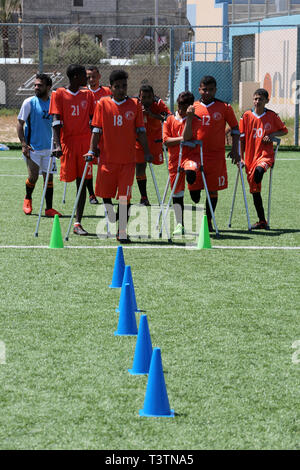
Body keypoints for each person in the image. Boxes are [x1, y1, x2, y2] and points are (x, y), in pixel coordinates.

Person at [84, 69, 153, 243]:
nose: (122, 90)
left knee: (125, 197)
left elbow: (141, 131)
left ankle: (121, 231)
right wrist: (92, 150)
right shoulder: (102, 104)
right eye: (118, 87)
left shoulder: (135, 105)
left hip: (128, 162)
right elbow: (96, 130)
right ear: (111, 88)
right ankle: (109, 211)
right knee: (104, 194)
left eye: (124, 86)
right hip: (107, 160)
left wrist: (147, 151)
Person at [50, 64, 95, 236]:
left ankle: (78, 223)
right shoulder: (59, 94)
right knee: (70, 179)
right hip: (68, 142)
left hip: (84, 143)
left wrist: (93, 145)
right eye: (85, 75)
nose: (88, 79)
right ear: (76, 77)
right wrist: (57, 144)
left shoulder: (88, 95)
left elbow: (93, 121)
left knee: (82, 182)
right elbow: (56, 121)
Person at [193, 75, 240, 231]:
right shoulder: (193, 107)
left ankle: (208, 221)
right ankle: (196, 197)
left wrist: (235, 149)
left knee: (212, 189)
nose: (207, 92)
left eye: (211, 90)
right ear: (199, 89)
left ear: (215, 90)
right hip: (195, 155)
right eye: (204, 89)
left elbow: (235, 129)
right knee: (194, 191)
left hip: (216, 156)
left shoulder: (224, 107)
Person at [239, 88, 288, 229]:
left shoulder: (272, 116)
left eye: (260, 99)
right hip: (250, 157)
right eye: (255, 99)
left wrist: (272, 135)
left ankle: (259, 172)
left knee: (259, 171)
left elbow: (284, 130)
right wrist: (241, 157)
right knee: (255, 190)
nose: (257, 101)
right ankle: (262, 221)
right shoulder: (246, 116)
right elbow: (241, 139)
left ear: (266, 100)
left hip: (265, 156)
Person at [17, 73, 61, 217]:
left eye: (39, 85)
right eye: (35, 85)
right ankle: (28, 198)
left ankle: (49, 208)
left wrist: (58, 144)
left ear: (48, 87)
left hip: (50, 149)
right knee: (33, 177)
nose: (36, 87)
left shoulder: (54, 103)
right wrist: (24, 144)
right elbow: (20, 124)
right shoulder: (29, 102)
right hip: (33, 148)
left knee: (49, 178)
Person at [163, 91, 202, 236]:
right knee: (177, 194)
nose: (181, 109)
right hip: (175, 160)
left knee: (191, 172)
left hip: (190, 157)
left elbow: (187, 136)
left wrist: (189, 119)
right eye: (180, 105)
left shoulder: (195, 120)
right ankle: (180, 224)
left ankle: (194, 187)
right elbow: (166, 141)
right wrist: (180, 140)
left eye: (185, 107)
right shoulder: (169, 120)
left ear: (191, 107)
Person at [135, 85, 171, 206]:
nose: (146, 100)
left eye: (149, 97)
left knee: (160, 166)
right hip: (139, 140)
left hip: (155, 140)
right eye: (143, 97)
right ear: (139, 97)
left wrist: (152, 114)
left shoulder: (159, 103)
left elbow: (168, 117)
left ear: (153, 96)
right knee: (140, 167)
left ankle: (171, 195)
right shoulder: (135, 104)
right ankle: (144, 197)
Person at [85, 66, 112, 205]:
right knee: (88, 165)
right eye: (88, 77)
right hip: (88, 135)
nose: (91, 79)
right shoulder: (83, 92)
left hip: (105, 135)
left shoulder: (107, 92)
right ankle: (91, 194)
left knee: (105, 165)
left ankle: (105, 193)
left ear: (99, 76)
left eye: (93, 76)